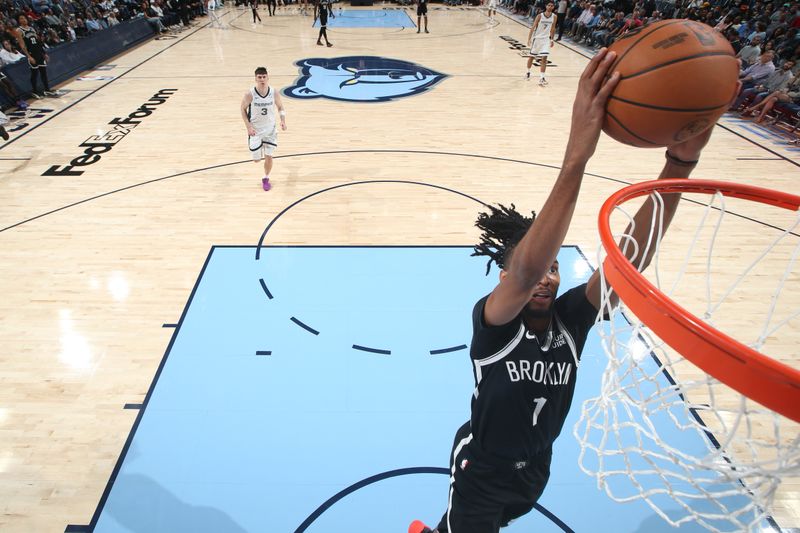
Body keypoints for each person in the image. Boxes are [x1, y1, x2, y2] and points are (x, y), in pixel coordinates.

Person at [408, 46, 729, 533]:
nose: (546, 275)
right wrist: (578, 152)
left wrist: (679, 166)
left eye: (555, 268)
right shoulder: (494, 323)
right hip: (483, 468)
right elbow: (526, 269)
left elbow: (628, 264)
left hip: (537, 468)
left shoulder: (570, 320)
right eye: (537, 267)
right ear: (505, 274)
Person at [240, 67, 286, 191]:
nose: (262, 79)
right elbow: (242, 109)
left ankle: (266, 178)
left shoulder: (274, 92)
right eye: (259, 77)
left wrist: (282, 120)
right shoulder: (250, 94)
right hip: (255, 130)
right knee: (256, 160)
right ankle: (258, 147)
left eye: (264, 77)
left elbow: (280, 106)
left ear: (267, 77)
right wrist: (248, 127)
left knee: (269, 156)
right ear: (255, 78)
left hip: (270, 129)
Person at [14, 15, 55, 98]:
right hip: (31, 54)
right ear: (19, 21)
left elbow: (38, 42)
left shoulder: (32, 29)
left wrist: (44, 53)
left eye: (24, 18)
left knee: (43, 72)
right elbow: (22, 45)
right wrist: (29, 56)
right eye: (21, 18)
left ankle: (47, 89)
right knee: (34, 74)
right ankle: (34, 91)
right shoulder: (19, 30)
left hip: (39, 53)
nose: (24, 19)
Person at [526, 1, 557, 86]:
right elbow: (533, 27)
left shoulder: (554, 17)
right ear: (546, 6)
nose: (550, 7)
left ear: (553, 7)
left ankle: (542, 78)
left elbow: (553, 28)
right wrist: (529, 39)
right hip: (537, 39)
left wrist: (552, 39)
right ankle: (528, 72)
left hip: (546, 39)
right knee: (531, 57)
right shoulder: (540, 16)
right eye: (549, 5)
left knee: (544, 58)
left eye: (552, 6)